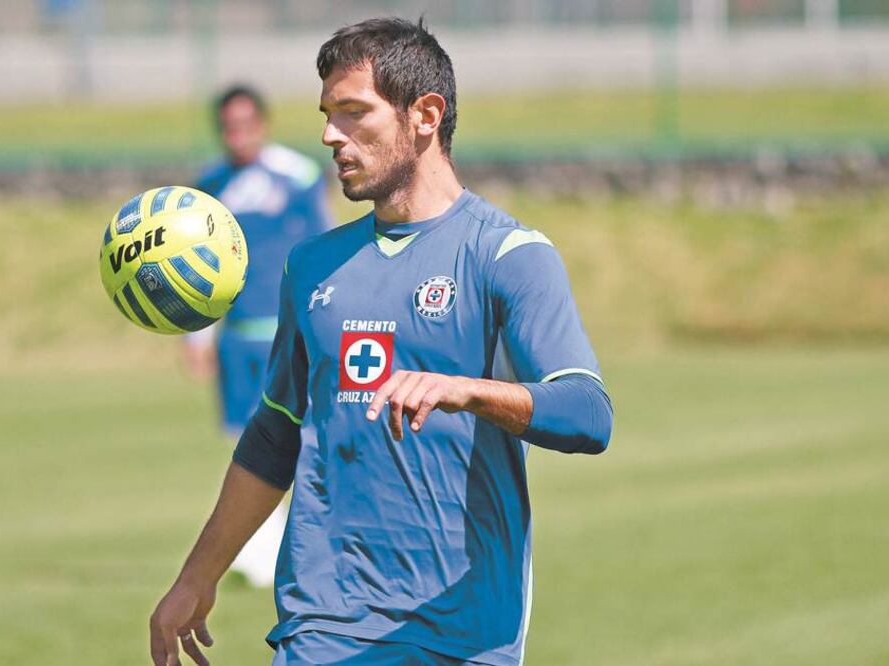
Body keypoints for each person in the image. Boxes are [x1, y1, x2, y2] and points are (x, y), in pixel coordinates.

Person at [152, 17, 614, 666]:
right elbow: (275, 432)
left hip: (461, 628)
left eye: (352, 113)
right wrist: (197, 577)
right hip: (320, 623)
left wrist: (466, 391)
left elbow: (588, 415)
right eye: (325, 113)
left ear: (425, 115)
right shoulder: (311, 267)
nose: (328, 136)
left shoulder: (507, 255)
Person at [185, 85, 332, 587]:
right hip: (236, 337)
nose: (237, 134)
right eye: (228, 126)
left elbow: (321, 247)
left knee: (296, 439)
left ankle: (308, 541)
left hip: (287, 334)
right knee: (243, 440)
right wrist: (197, 338)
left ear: (262, 124)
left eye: (245, 123)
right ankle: (262, 548)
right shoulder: (208, 187)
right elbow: (197, 269)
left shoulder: (298, 176)